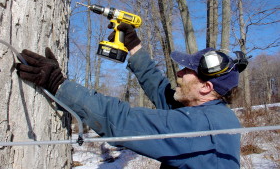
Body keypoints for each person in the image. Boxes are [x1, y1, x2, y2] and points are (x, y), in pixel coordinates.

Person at [16, 23, 242, 169]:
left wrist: (58, 85)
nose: (179, 72)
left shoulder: (203, 127)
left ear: (205, 87)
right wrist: (134, 47)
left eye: (187, 71)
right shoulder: (210, 113)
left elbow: (123, 121)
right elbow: (162, 92)